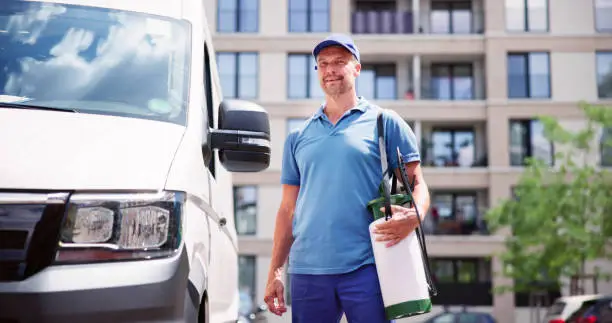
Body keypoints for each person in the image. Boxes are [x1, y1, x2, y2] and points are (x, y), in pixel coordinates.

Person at [263, 33, 431, 323]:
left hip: (369, 265)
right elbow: (287, 210)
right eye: (323, 63)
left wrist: (416, 215)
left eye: (339, 62)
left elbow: (418, 184)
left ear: (356, 68)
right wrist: (275, 271)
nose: (330, 70)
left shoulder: (385, 122)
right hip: (307, 270)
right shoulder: (298, 137)